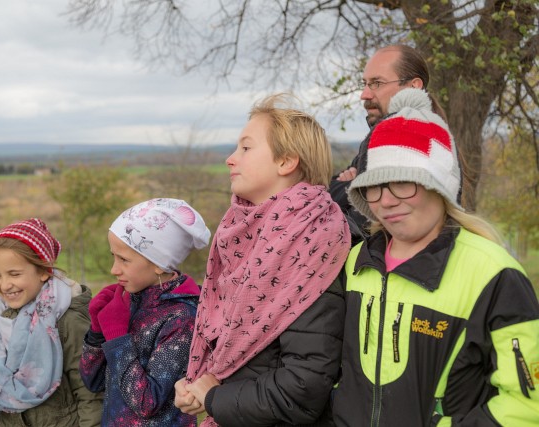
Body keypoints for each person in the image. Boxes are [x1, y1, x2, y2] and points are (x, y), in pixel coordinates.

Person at [332, 88, 539, 426]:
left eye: (402, 182)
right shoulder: (353, 263)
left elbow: (528, 406)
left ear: (440, 187)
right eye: (375, 186)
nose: (386, 201)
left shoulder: (495, 274)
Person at [174, 93, 352, 426]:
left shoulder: (312, 243)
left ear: (286, 162)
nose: (230, 158)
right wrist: (197, 385)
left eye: (245, 148)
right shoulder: (244, 235)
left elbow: (304, 385)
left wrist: (214, 397)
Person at [79, 198, 211, 426]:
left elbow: (146, 403)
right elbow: (94, 382)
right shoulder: (129, 301)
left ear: (159, 263)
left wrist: (117, 337)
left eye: (124, 259)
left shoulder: (181, 318)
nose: (114, 269)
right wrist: (97, 332)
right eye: (113, 256)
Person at [0, 218, 102, 427]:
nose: (5, 285)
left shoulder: (67, 320)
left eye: (14, 274)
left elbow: (89, 391)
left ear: (44, 271)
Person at [329, 44, 448, 243]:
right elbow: (334, 192)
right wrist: (352, 185)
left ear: (413, 86)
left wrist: (352, 184)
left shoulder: (418, 142)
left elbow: (366, 221)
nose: (364, 94)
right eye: (365, 84)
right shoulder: (380, 139)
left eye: (376, 83)